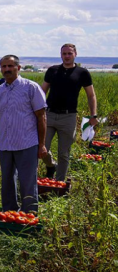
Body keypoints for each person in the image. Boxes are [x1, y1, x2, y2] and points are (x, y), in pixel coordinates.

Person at [0, 55, 47, 214]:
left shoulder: (31, 87)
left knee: (28, 181)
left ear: (18, 68)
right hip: (6, 145)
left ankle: (29, 215)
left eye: (10, 66)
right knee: (7, 181)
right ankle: (10, 214)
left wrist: (41, 145)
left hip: (27, 143)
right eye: (4, 67)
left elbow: (41, 116)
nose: (6, 70)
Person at [40, 43, 98, 181]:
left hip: (69, 117)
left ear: (75, 54)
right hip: (49, 115)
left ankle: (59, 185)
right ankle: (51, 166)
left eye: (69, 53)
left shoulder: (82, 73)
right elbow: (42, 91)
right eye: (64, 53)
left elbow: (91, 95)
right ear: (61, 55)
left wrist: (93, 115)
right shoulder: (52, 71)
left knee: (64, 153)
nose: (66, 56)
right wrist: (36, 112)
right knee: (42, 149)